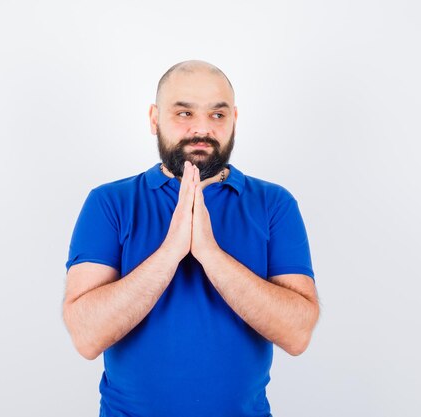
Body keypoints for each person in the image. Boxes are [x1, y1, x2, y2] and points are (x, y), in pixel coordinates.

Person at [62, 60, 319, 417]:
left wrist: (210, 254)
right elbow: (86, 337)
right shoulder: (110, 202)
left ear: (234, 120)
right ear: (154, 119)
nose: (202, 128)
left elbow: (298, 334)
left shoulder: (273, 204)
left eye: (218, 115)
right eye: (184, 113)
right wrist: (171, 252)